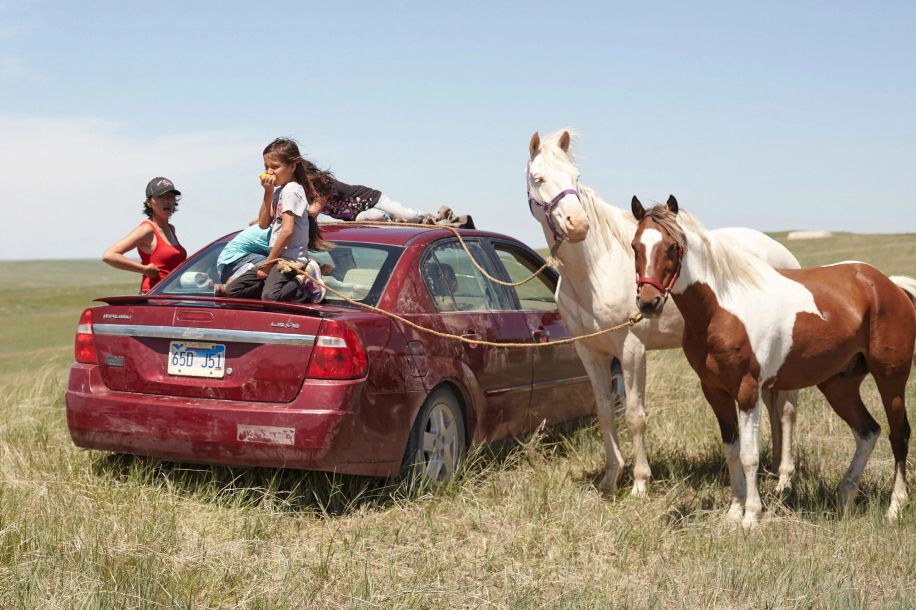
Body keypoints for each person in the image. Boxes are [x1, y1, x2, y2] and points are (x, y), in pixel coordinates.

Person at [225, 138, 333, 302]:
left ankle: (305, 281)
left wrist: (268, 264)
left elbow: (287, 230)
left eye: (275, 167)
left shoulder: (292, 191)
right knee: (233, 290)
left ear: (292, 167)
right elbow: (263, 223)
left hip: (289, 260)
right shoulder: (279, 192)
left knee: (271, 297)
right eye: (266, 167)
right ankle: (274, 285)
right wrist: (268, 192)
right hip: (276, 258)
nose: (269, 172)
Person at [102, 177, 187, 292]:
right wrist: (144, 269)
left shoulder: (171, 229)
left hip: (172, 294)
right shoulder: (146, 230)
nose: (167, 201)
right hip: (153, 297)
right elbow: (109, 255)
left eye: (170, 197)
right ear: (149, 202)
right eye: (161, 197)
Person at [300, 161, 425, 223]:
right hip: (357, 216)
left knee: (410, 216)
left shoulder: (324, 184)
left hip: (373, 199)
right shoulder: (306, 196)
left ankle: (427, 216)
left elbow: (311, 214)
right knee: (377, 216)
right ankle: (393, 218)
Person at [215, 221, 271, 287]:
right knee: (271, 262)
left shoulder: (262, 226)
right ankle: (231, 283)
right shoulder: (267, 233)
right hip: (233, 262)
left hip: (226, 267)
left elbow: (252, 223)